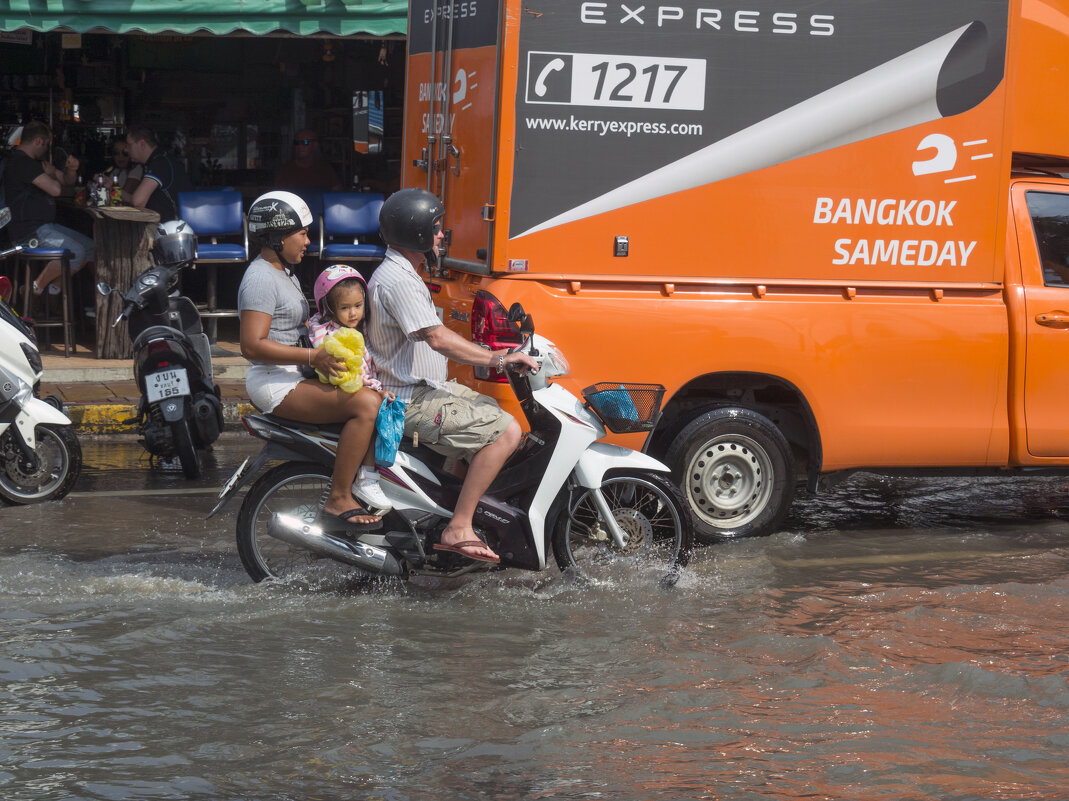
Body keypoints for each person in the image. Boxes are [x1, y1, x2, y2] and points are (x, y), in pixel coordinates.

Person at [367, 188, 540, 563]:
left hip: (424, 389)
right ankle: (459, 526)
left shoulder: (405, 273)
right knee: (506, 431)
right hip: (409, 399)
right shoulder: (397, 280)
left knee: (491, 410)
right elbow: (437, 337)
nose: (442, 235)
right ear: (416, 233)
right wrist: (499, 359)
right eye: (436, 228)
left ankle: (454, 512)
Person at [237, 191, 386, 527]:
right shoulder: (260, 278)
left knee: (375, 395)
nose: (308, 241)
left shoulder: (283, 271)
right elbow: (251, 345)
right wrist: (313, 355)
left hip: (294, 375)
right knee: (365, 405)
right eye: (301, 233)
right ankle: (338, 497)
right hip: (276, 384)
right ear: (277, 236)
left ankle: (365, 480)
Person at [308, 263, 394, 511]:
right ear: (328, 308)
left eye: (358, 305)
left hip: (364, 384)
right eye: (344, 308)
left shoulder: (358, 328)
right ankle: (367, 478)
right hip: (346, 386)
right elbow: (351, 369)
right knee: (374, 410)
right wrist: (376, 388)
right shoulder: (330, 334)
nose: (353, 313)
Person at [3, 120, 95, 295]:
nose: (46, 149)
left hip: (45, 228)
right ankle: (34, 288)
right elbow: (55, 189)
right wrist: (50, 174)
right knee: (77, 250)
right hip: (29, 233)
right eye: (46, 145)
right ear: (38, 141)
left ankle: (54, 288)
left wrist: (72, 170)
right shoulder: (21, 162)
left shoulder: (37, 163)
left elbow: (66, 181)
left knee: (91, 248)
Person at [125, 125, 194, 222]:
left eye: (128, 145)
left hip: (173, 229)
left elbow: (138, 201)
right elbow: (136, 199)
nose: (126, 150)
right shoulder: (158, 159)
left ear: (142, 144)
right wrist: (113, 188)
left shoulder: (160, 163)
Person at [274, 128, 343, 192]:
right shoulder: (285, 170)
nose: (300, 146)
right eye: (296, 143)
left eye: (305, 142)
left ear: (315, 145)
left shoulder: (325, 168)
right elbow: (280, 196)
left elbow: (336, 192)